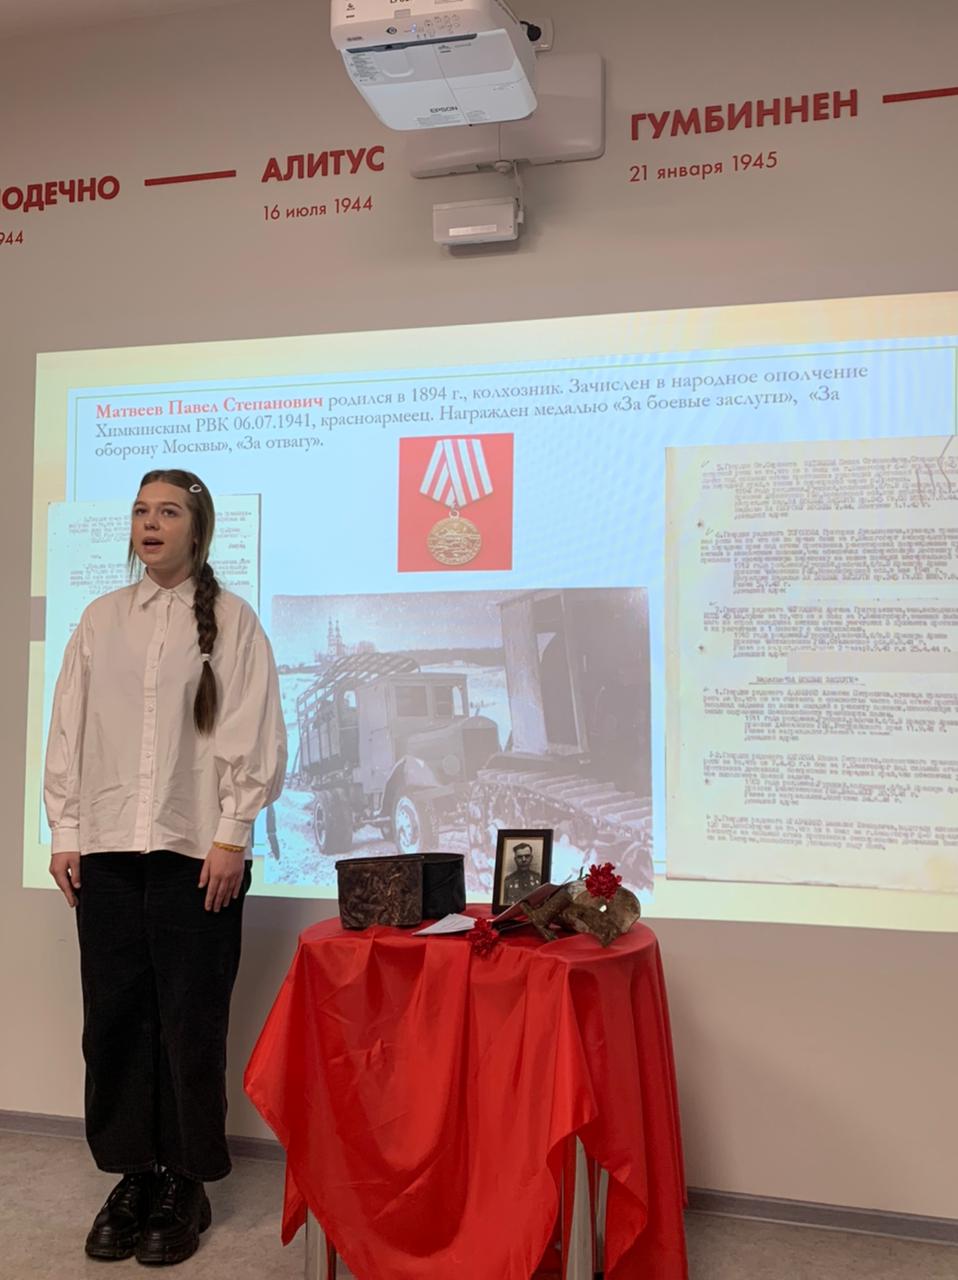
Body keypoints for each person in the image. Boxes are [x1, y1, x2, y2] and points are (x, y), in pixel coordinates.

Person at [44, 469, 287, 1266]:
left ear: (198, 528)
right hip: (108, 851)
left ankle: (186, 1179)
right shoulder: (99, 619)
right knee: (114, 1021)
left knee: (190, 1022)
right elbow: (70, 729)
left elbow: (253, 729)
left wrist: (232, 835)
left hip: (197, 856)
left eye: (169, 511)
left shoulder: (234, 621)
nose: (150, 523)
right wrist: (67, 828)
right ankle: (133, 1173)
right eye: (141, 511)